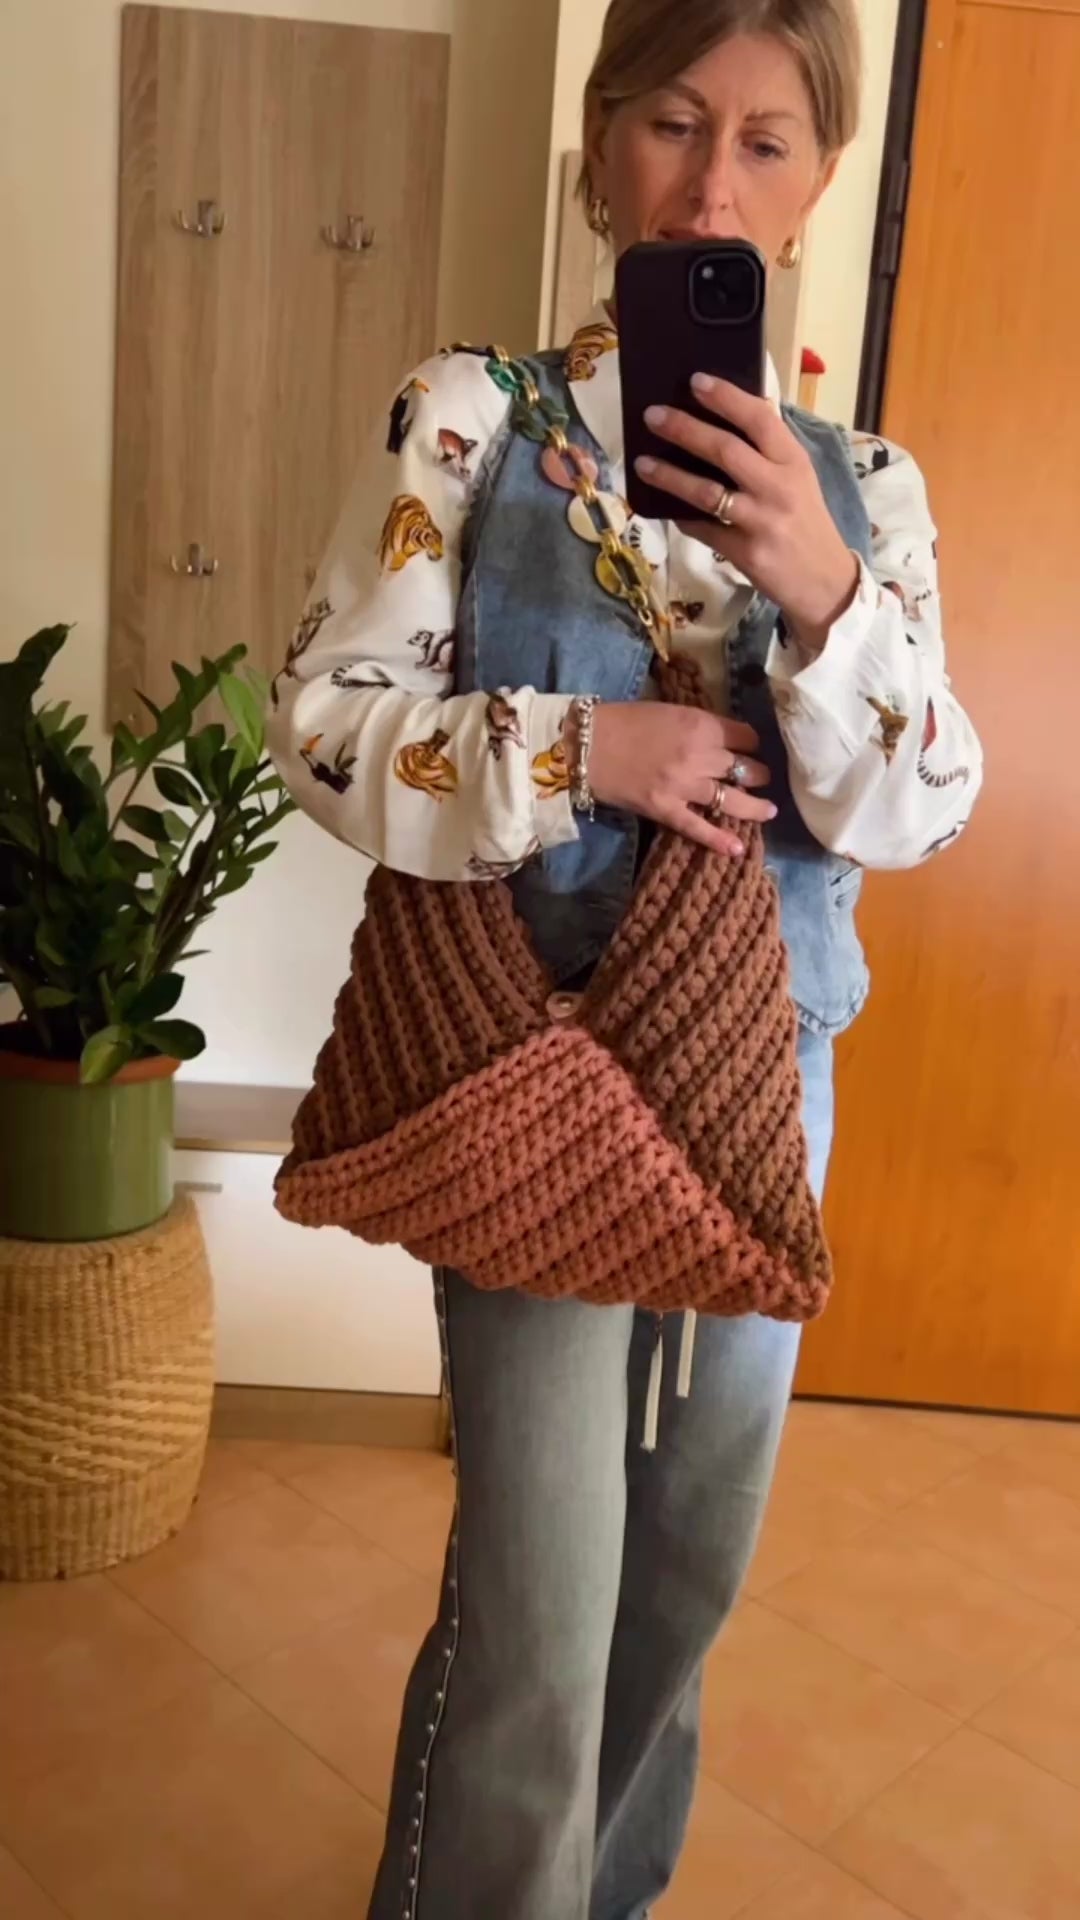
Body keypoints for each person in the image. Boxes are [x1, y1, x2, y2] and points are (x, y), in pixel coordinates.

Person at [268, 3, 982, 1914]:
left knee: (691, 1554)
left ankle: (608, 1891)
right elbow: (325, 725)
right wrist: (588, 751)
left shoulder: (870, 486)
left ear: (819, 182)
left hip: (767, 1069)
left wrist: (824, 590)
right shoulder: (468, 415)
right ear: (600, 145)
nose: (711, 185)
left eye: (766, 141)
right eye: (673, 123)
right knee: (543, 1586)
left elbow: (921, 809)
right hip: (527, 1051)